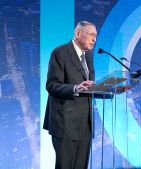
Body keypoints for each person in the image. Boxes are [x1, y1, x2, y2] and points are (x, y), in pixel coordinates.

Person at [43, 21, 97, 169]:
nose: (94, 39)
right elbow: (52, 85)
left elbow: (89, 87)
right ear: (78, 33)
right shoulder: (60, 53)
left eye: (96, 36)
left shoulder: (89, 57)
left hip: (85, 124)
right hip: (65, 123)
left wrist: (112, 90)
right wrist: (75, 88)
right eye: (92, 34)